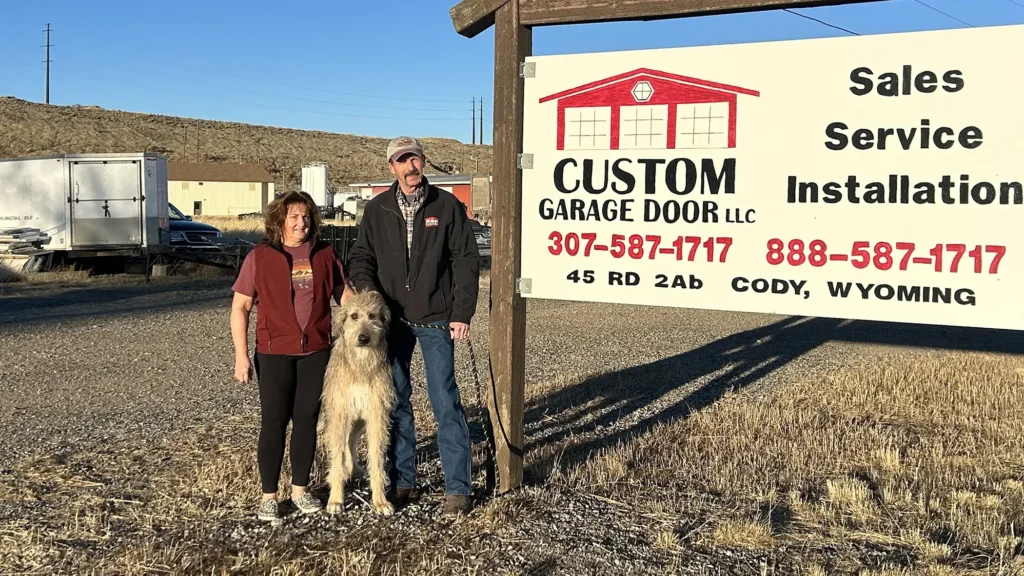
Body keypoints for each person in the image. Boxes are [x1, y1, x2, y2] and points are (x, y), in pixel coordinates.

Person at [347, 136, 481, 517]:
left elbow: (465, 261)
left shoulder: (446, 205)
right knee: (396, 401)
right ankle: (402, 481)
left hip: (437, 317)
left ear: (423, 162)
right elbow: (360, 258)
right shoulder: (377, 210)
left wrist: (461, 312)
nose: (410, 168)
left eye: (415, 160)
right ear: (391, 167)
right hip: (391, 322)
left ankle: (458, 488)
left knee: (445, 400)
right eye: (402, 161)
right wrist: (371, 295)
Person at [230, 190, 354, 522]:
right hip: (273, 353)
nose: (301, 223)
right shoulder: (260, 256)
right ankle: (269, 496)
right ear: (280, 221)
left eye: (306, 216)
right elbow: (240, 308)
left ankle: (300, 490)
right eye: (294, 217)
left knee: (306, 422)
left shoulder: (325, 254)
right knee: (273, 422)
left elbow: (348, 300)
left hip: (316, 351)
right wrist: (242, 356)